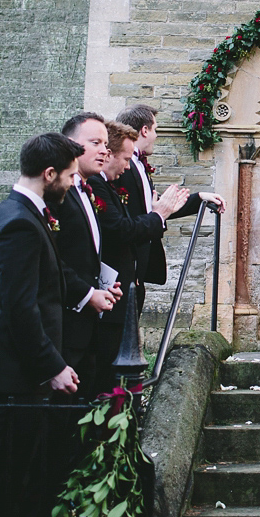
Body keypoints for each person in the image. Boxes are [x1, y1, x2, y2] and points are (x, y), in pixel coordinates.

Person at [0, 133, 84, 517]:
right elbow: (20, 308)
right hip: (14, 373)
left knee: (26, 473)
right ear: (49, 173)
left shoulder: (26, 212)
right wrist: (51, 366)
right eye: (69, 176)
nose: (72, 184)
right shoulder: (19, 222)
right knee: (6, 477)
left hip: (23, 371)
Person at [88, 121, 189, 393]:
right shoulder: (97, 186)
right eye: (125, 159)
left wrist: (160, 212)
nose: (127, 166)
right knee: (106, 370)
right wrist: (158, 215)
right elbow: (121, 229)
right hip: (106, 290)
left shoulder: (106, 185)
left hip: (121, 287)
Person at [114, 104, 226, 313]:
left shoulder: (138, 165)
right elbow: (133, 219)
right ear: (144, 130)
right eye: (155, 129)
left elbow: (156, 210)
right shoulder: (125, 168)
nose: (156, 136)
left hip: (137, 273)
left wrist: (200, 198)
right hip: (127, 272)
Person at [49, 112, 122, 400]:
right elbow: (53, 258)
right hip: (64, 326)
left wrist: (102, 287)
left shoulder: (84, 191)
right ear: (69, 145)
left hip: (87, 327)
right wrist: (86, 294)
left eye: (106, 143)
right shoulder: (57, 193)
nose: (105, 150)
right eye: (95, 142)